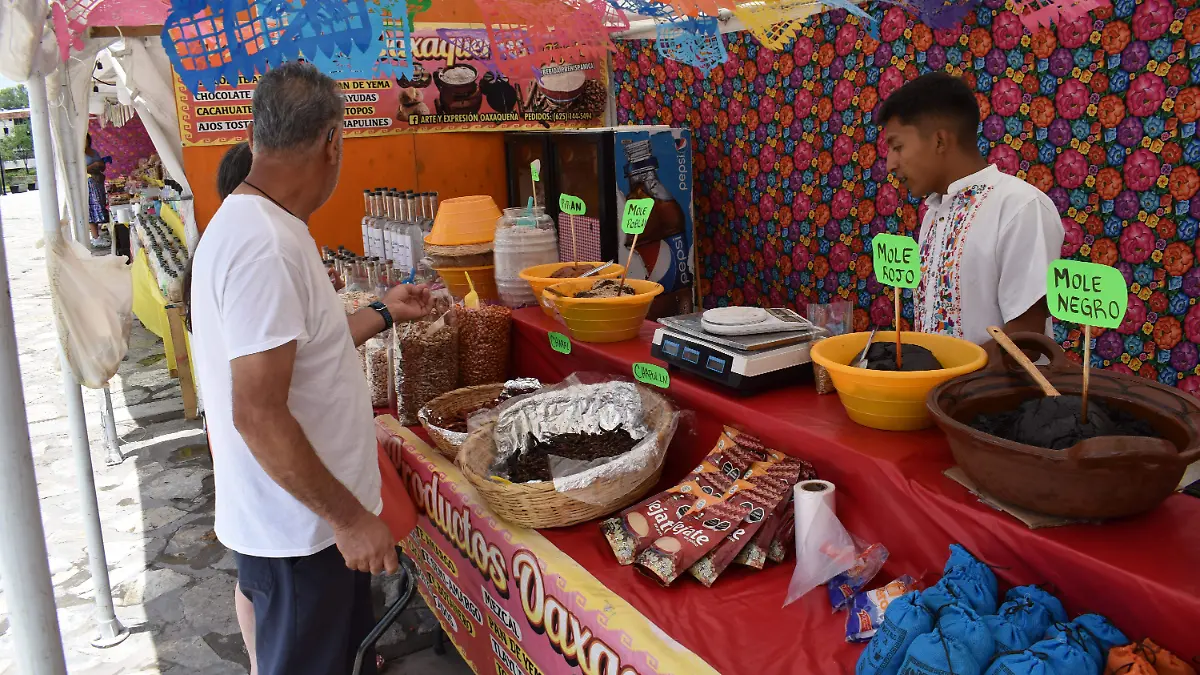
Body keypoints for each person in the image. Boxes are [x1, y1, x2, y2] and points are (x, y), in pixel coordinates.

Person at [189, 62, 431, 675]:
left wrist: (381, 310)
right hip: (303, 536)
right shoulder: (263, 246)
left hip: (310, 525)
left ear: (255, 138)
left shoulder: (264, 224)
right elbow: (258, 413)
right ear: (332, 140)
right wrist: (351, 521)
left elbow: (303, 353)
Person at [877, 72, 1064, 352]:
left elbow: (1026, 337)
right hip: (939, 394)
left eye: (898, 147)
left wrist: (949, 377)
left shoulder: (1020, 207)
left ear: (940, 141)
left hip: (999, 395)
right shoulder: (934, 214)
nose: (890, 164)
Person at [84, 133, 112, 249]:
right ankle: (95, 237)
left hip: (98, 181)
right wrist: (93, 165)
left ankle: (98, 234)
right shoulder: (79, 153)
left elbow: (102, 166)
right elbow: (79, 169)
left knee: (99, 205)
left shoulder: (93, 152)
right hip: (89, 182)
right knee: (92, 208)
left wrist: (100, 164)